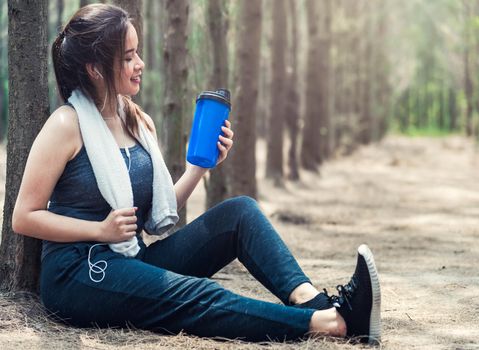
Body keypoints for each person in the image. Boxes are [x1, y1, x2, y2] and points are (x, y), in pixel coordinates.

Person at [12, 4, 381, 345]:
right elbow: (24, 217)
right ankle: (333, 325)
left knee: (240, 213)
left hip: (131, 259)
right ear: (94, 68)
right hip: (79, 273)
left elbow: (158, 215)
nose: (140, 63)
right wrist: (99, 231)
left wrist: (199, 169)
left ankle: (316, 303)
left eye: (137, 52)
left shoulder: (137, 122)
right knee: (198, 295)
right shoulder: (67, 124)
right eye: (128, 57)